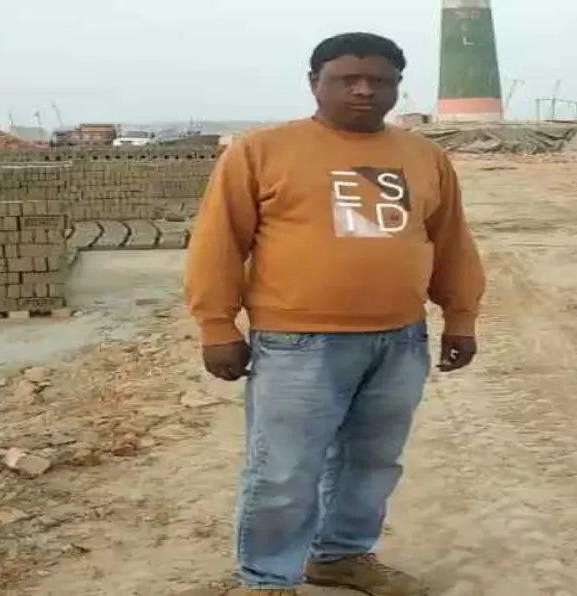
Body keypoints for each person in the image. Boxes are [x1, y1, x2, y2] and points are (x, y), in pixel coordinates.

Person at [184, 32, 486, 596]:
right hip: (297, 341)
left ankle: (340, 556)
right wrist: (217, 325)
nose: (365, 90)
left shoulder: (424, 156)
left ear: (397, 86)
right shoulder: (262, 150)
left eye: (381, 80)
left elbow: (451, 243)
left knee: (372, 463)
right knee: (282, 471)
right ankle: (268, 579)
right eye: (348, 79)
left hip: (399, 340)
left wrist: (461, 316)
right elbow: (219, 241)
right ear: (314, 83)